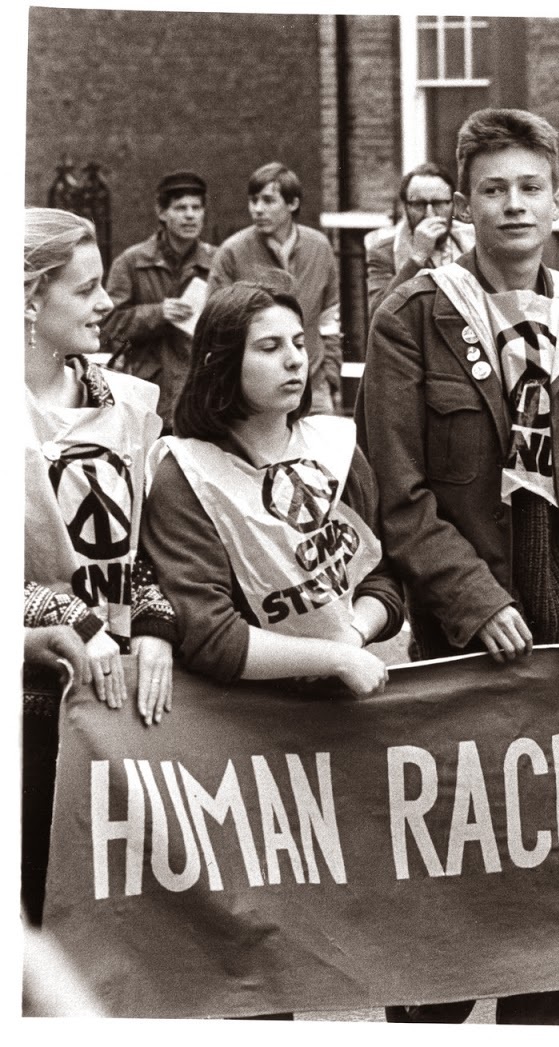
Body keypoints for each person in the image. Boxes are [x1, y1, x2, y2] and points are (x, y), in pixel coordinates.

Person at [358, 107, 559, 1024]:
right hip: (465, 652)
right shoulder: (415, 319)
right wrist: (474, 599)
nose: (514, 205)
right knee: (451, 910)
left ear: (558, 200)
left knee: (548, 911)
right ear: (463, 205)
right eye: (493, 189)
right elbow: (397, 491)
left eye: (531, 187)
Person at [23, 207, 177, 927]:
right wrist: (68, 615)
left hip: (117, 705)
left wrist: (152, 623)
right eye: (85, 290)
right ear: (30, 298)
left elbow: (142, 544)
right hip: (29, 708)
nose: (107, 302)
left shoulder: (127, 405)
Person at [141, 281, 401, 701]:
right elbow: (213, 637)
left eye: (298, 342)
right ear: (220, 363)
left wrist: (351, 639)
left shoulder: (335, 448)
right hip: (243, 713)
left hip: (346, 694)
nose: (295, 359)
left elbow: (380, 578)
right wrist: (334, 658)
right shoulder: (185, 475)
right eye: (270, 347)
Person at [209, 162, 342, 414]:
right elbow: (217, 326)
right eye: (253, 200)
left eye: (268, 200)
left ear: (292, 204)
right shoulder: (232, 252)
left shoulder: (319, 247)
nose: (257, 209)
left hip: (313, 386)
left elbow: (330, 318)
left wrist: (331, 376)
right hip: (257, 392)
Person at [102, 170, 216, 427]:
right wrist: (158, 313)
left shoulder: (217, 263)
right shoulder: (131, 263)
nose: (190, 215)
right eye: (180, 208)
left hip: (203, 393)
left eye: (196, 208)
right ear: (162, 212)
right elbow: (107, 327)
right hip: (150, 393)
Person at [363, 161, 476, 315]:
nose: (429, 214)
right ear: (405, 207)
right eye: (419, 204)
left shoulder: (475, 242)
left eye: (438, 203)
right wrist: (418, 257)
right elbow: (379, 314)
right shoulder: (383, 251)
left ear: (453, 205)